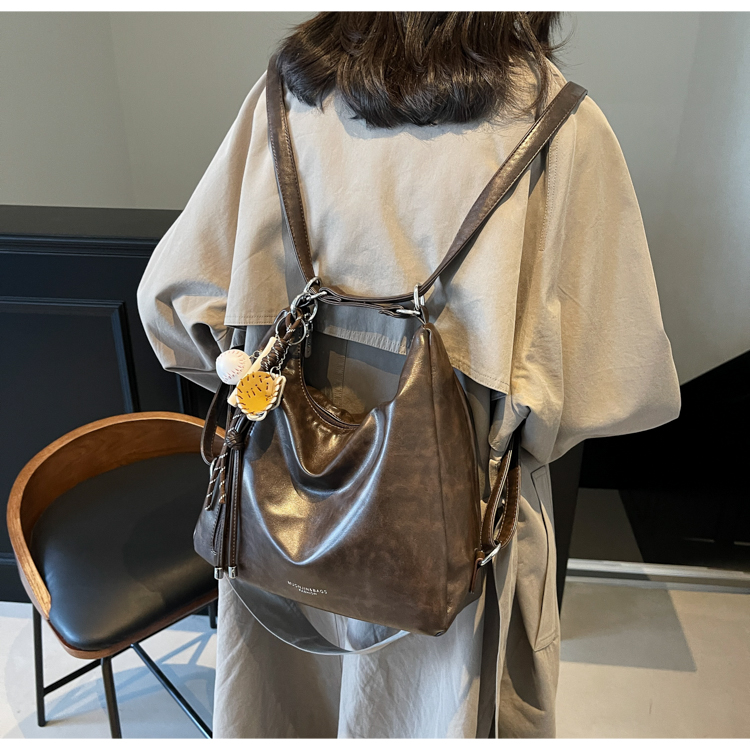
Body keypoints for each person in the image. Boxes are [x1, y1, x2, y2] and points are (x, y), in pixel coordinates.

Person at [137, 12, 681, 738]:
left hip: (281, 516)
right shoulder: (560, 123)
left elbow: (174, 302)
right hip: (451, 532)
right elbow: (615, 382)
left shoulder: (287, 99)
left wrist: (277, 385)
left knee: (284, 710)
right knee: (428, 713)